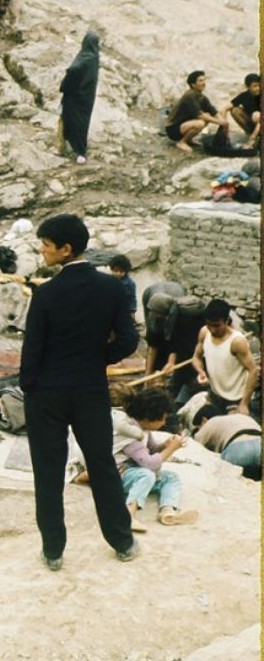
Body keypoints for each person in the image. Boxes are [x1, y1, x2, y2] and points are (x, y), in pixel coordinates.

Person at [21, 214, 139, 571]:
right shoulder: (113, 289)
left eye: (46, 245)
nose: (42, 251)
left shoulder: (45, 294)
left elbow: (31, 351)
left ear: (66, 249)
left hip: (48, 393)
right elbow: (129, 340)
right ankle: (122, 541)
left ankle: (53, 550)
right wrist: (98, 358)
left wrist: (30, 389)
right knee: (102, 464)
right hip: (90, 389)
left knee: (48, 471)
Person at [111, 387, 198, 531]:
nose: (163, 423)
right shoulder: (130, 432)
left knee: (171, 477)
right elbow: (149, 464)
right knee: (147, 475)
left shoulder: (143, 429)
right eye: (162, 418)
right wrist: (171, 449)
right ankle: (128, 515)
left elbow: (151, 450)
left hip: (133, 471)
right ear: (149, 417)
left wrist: (165, 445)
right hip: (118, 473)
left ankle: (167, 510)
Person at [192, 299, 258, 416]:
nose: (212, 330)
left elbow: (253, 371)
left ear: (227, 321)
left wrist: (244, 403)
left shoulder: (236, 342)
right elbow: (196, 358)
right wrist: (201, 372)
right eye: (209, 325)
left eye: (217, 326)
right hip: (214, 395)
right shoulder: (204, 333)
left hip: (235, 399)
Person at [143, 293, 204, 404]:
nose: (156, 315)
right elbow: (154, 346)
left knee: (186, 376)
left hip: (191, 345)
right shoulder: (156, 320)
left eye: (158, 313)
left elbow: (177, 342)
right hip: (180, 346)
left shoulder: (183, 318)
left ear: (165, 312)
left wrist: (171, 362)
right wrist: (148, 377)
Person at [58, 30, 100, 164]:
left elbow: (73, 70)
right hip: (86, 98)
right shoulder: (94, 57)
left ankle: (73, 149)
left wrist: (64, 86)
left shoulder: (85, 57)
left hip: (75, 96)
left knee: (68, 119)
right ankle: (79, 150)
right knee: (82, 124)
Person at [193, 405, 261, 479]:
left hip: (238, 449)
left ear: (204, 420)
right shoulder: (239, 418)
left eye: (198, 428)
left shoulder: (210, 422)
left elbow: (195, 447)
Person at [164, 71, 226, 153]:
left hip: (184, 125)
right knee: (200, 123)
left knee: (207, 116)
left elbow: (213, 111)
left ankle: (189, 140)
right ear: (193, 84)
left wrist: (223, 121)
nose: (204, 83)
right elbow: (200, 115)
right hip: (173, 129)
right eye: (200, 81)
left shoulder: (201, 97)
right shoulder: (190, 96)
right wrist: (219, 122)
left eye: (204, 80)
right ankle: (182, 142)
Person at [224, 72, 260, 148]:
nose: (258, 88)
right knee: (235, 110)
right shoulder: (244, 95)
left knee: (256, 115)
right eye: (254, 86)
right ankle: (251, 134)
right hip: (254, 124)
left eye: (259, 85)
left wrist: (252, 139)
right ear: (247, 87)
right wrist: (225, 127)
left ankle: (254, 137)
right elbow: (224, 109)